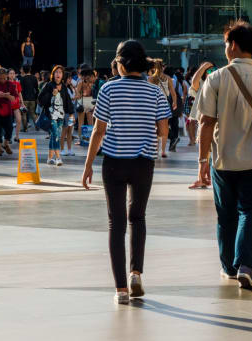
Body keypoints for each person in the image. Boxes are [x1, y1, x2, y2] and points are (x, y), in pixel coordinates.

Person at [81, 40, 171, 305]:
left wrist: (88, 166)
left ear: (120, 64)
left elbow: (98, 130)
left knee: (116, 224)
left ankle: (120, 289)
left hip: (114, 163)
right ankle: (136, 273)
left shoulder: (109, 89)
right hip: (143, 163)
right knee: (138, 218)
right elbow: (163, 131)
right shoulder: (155, 92)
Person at [197, 20, 252, 291]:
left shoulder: (216, 78)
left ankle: (229, 268)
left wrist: (201, 161)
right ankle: (246, 265)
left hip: (222, 160)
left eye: (225, 44)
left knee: (226, 215)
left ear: (232, 45)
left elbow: (206, 122)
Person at [38, 65, 74, 166]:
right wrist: (51, 94)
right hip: (51, 116)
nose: (58, 74)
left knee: (54, 136)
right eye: (56, 72)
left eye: (60, 72)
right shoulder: (49, 85)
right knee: (56, 136)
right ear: (53, 75)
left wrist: (71, 114)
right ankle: (58, 158)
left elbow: (68, 101)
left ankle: (49, 158)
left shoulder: (64, 87)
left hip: (60, 116)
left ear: (63, 75)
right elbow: (40, 100)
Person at [186, 62, 214, 190]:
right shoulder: (202, 85)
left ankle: (203, 178)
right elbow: (194, 82)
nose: (209, 72)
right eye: (206, 71)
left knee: (206, 150)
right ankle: (204, 178)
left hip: (213, 121)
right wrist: (202, 68)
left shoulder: (218, 83)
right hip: (204, 120)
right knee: (205, 150)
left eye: (212, 70)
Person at [148, 60, 177, 158]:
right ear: (162, 67)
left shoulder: (150, 78)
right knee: (164, 128)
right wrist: (174, 102)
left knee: (154, 128)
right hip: (164, 104)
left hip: (152, 105)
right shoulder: (167, 78)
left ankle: (155, 150)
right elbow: (173, 92)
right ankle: (163, 151)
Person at [75, 66, 96, 136]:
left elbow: (77, 92)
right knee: (82, 122)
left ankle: (89, 138)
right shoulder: (82, 82)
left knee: (90, 122)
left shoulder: (91, 83)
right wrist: (79, 95)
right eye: (92, 76)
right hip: (84, 101)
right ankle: (81, 138)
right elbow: (77, 92)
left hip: (88, 101)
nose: (94, 77)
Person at [20, 67, 39, 132]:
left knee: (24, 114)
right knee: (33, 113)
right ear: (30, 70)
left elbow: (21, 90)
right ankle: (37, 126)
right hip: (32, 98)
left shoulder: (22, 79)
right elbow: (36, 89)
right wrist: (36, 97)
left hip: (24, 99)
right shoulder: (34, 78)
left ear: (23, 71)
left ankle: (25, 128)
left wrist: (21, 99)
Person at [8, 69, 24, 142]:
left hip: (16, 104)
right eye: (10, 73)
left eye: (13, 73)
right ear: (8, 75)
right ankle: (8, 137)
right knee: (9, 122)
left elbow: (20, 93)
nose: (12, 75)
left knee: (19, 120)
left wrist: (22, 103)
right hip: (7, 104)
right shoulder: (6, 83)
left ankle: (17, 136)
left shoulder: (17, 83)